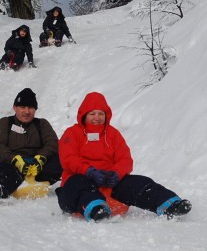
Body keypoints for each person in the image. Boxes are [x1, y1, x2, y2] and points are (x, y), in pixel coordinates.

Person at [56, 92, 192, 222]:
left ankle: (169, 204)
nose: (97, 117)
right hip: (81, 179)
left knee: (139, 182)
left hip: (108, 182)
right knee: (77, 185)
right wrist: (89, 171)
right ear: (84, 115)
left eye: (101, 114)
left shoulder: (112, 134)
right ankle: (96, 209)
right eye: (92, 114)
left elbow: (125, 159)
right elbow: (68, 158)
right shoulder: (72, 133)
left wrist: (117, 173)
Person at [0, 88, 61, 204]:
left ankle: (35, 183)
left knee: (60, 160)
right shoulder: (5, 123)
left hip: (36, 168)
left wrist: (41, 158)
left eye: (31, 108)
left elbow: (52, 143)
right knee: (2, 171)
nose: (27, 111)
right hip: (12, 166)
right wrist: (15, 159)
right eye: (22, 107)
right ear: (15, 108)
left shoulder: (42, 124)